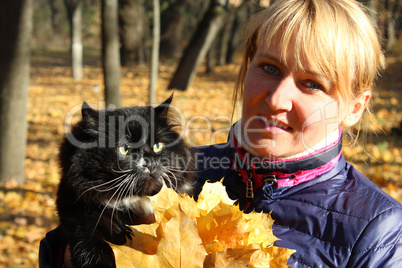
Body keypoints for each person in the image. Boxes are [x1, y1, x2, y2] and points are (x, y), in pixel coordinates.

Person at [40, 0, 402, 267]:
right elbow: (63, 245)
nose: (277, 98)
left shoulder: (378, 234)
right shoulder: (180, 171)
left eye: (311, 84)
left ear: (355, 106)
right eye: (269, 67)